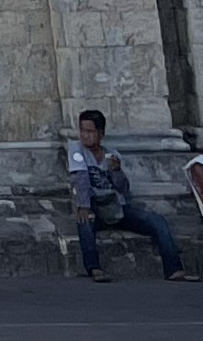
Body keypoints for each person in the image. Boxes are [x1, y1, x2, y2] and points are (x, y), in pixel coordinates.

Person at [68, 111, 184, 281]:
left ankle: (174, 269)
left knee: (157, 221)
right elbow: (81, 179)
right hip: (92, 205)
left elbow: (123, 189)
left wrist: (117, 171)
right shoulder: (76, 149)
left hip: (115, 206)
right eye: (82, 130)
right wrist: (83, 205)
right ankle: (94, 268)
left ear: (101, 134)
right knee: (85, 220)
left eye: (90, 131)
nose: (85, 135)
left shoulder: (111, 154)